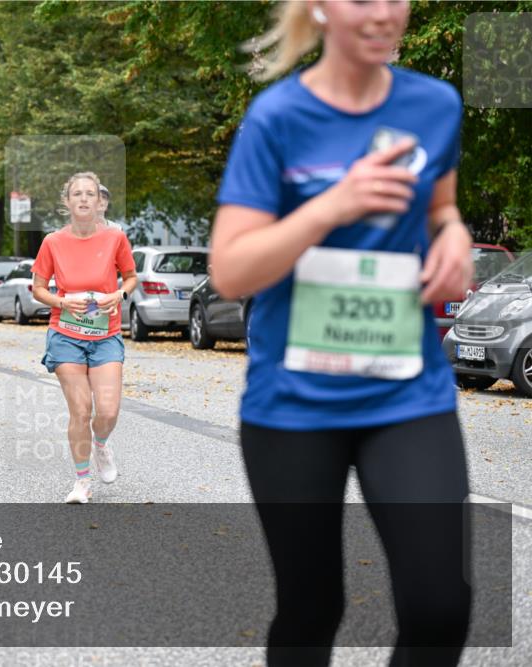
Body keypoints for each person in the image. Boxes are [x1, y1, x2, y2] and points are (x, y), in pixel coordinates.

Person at [211, 2, 474, 665]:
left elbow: (441, 207)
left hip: (407, 393)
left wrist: (454, 237)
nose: (385, 13)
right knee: (312, 605)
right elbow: (232, 269)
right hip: (294, 403)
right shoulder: (277, 118)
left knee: (440, 606)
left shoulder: (434, 105)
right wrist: (335, 203)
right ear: (321, 9)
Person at [31, 172, 137, 504]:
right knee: (81, 409)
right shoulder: (52, 242)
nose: (83, 198)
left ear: (100, 201)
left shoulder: (116, 238)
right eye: (76, 193)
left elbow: (131, 277)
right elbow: (36, 289)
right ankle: (81, 483)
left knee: (106, 411)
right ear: (66, 202)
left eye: (90, 193)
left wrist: (119, 294)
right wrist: (62, 302)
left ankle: (101, 445)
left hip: (106, 334)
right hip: (66, 334)